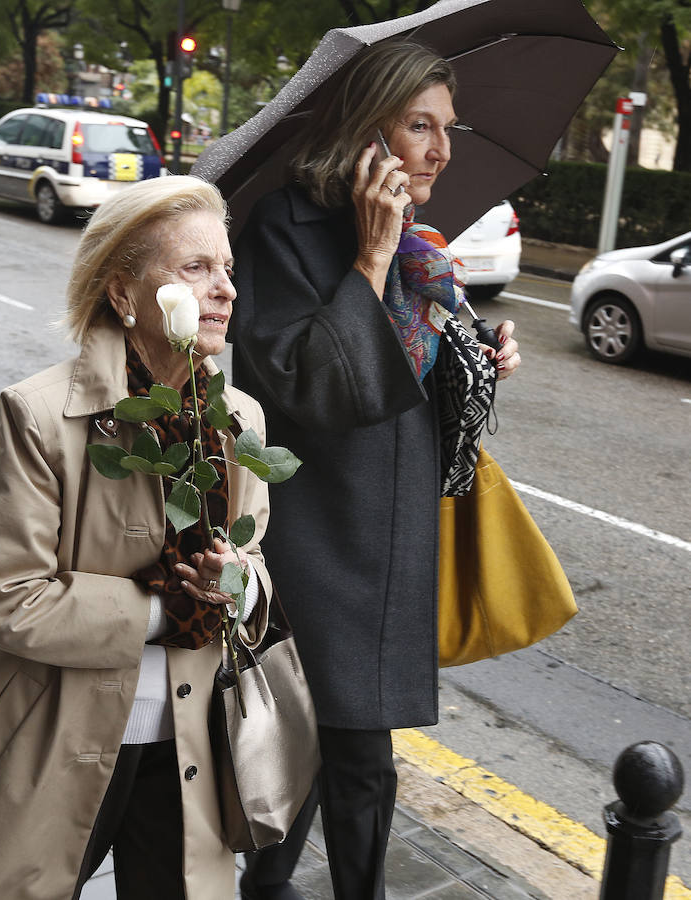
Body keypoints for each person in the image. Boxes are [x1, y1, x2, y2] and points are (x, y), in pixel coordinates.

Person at [0, 175, 274, 900]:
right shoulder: (40, 416)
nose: (224, 288)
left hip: (188, 742)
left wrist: (233, 581)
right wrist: (171, 609)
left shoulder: (240, 420)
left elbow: (254, 562)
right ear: (123, 294)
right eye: (194, 268)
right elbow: (1, 596)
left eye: (227, 268)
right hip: (45, 740)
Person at [231, 41, 521, 900]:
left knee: (347, 756)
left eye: (447, 127)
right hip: (317, 541)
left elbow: (413, 383)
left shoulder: (425, 252)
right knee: (339, 756)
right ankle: (269, 887)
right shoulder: (285, 227)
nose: (441, 148)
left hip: (393, 539)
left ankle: (272, 887)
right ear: (368, 132)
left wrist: (478, 353)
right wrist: (369, 255)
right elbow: (300, 386)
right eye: (419, 125)